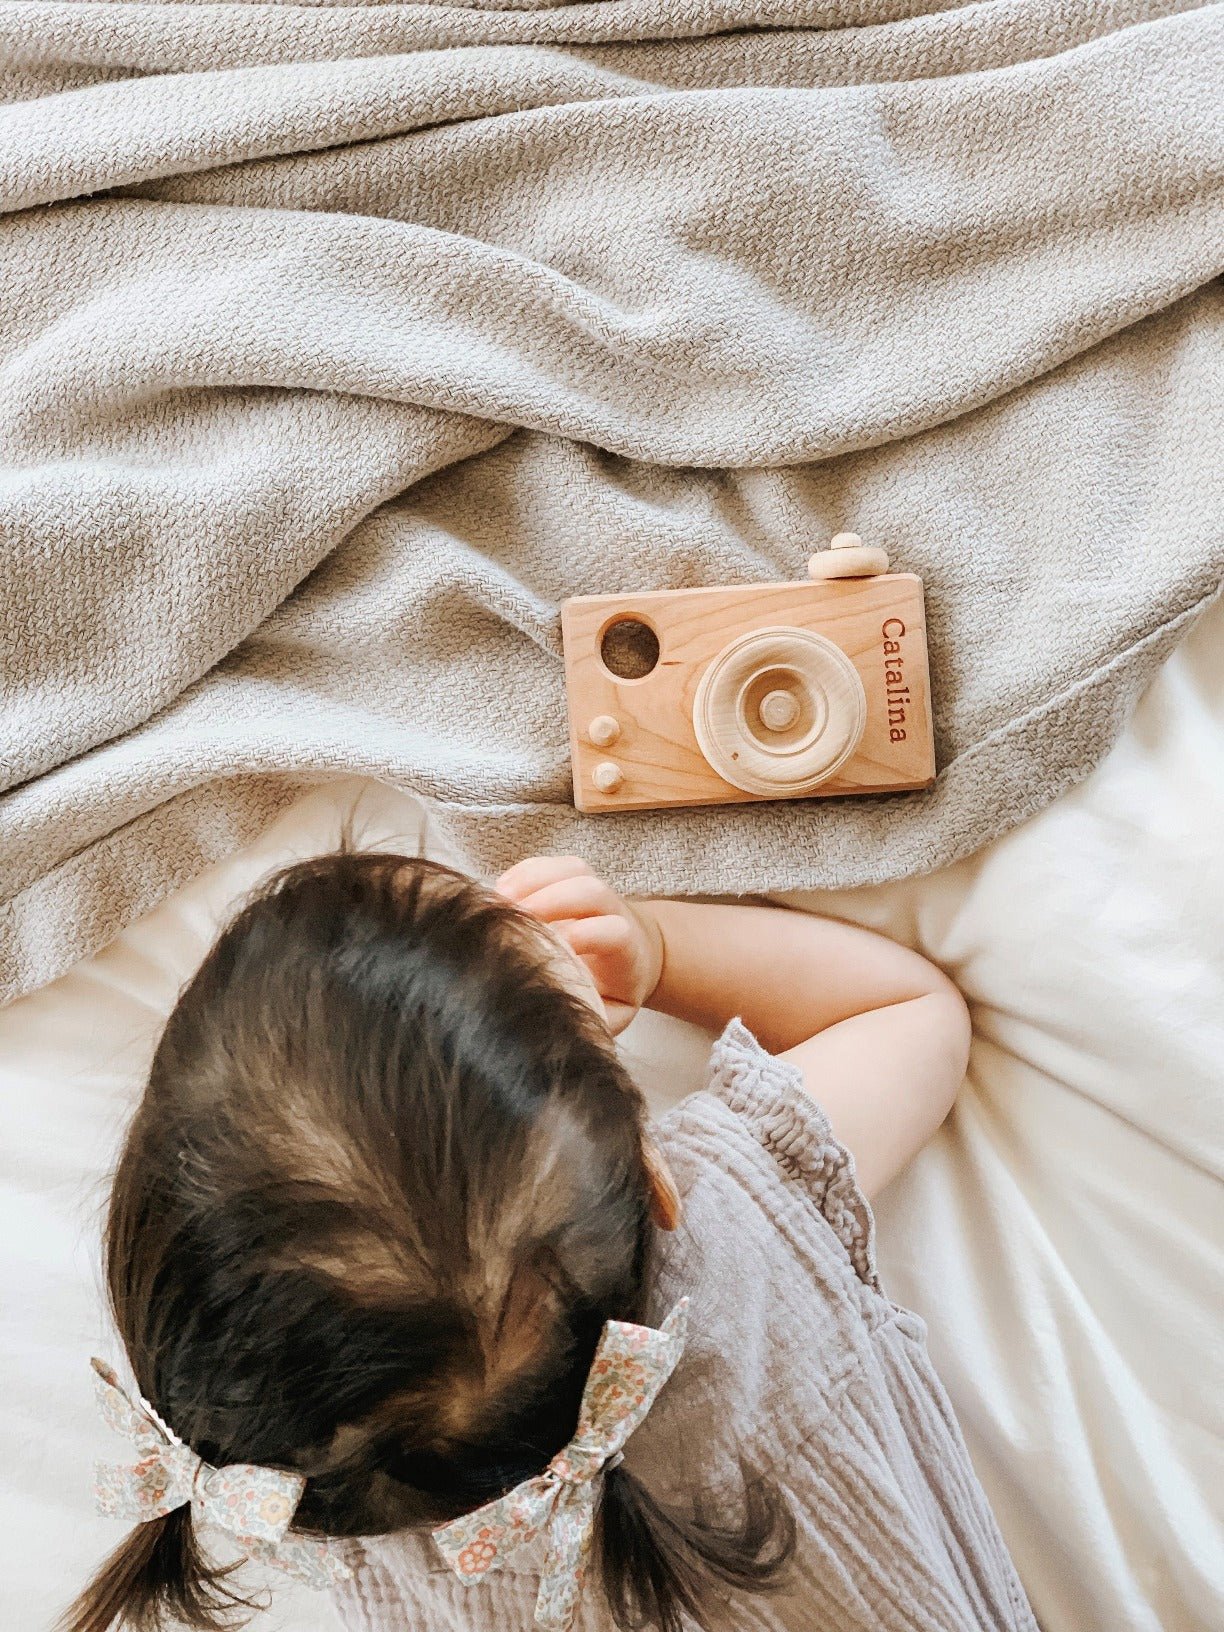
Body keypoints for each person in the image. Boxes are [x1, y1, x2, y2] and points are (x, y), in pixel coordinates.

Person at [63, 845, 1036, 1632]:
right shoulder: (738, 1223)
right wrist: (658, 948)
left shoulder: (336, 1496)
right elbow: (909, 1013)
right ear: (656, 1177)